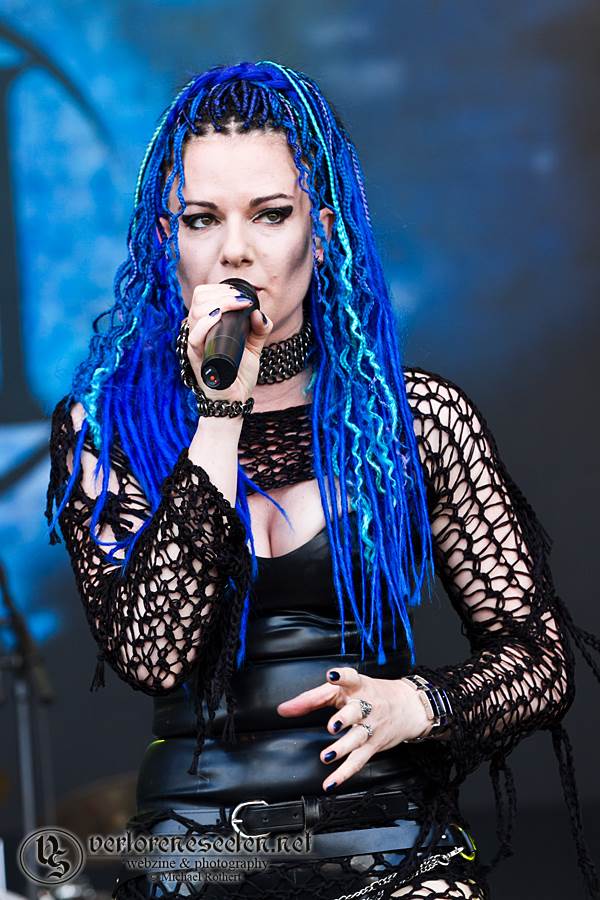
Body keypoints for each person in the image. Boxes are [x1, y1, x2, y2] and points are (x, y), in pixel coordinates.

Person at [45, 60, 600, 900]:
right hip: (198, 855)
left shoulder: (412, 421)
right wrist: (219, 411)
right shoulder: (106, 429)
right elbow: (153, 657)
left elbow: (540, 659)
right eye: (202, 219)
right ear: (167, 239)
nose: (235, 249)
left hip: (385, 841)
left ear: (323, 231)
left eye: (271, 215)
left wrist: (423, 705)